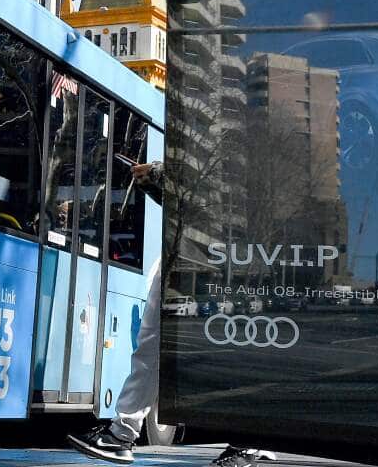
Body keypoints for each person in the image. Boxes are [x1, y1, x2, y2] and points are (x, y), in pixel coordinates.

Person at [66, 162, 275, 467]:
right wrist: (153, 181)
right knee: (154, 349)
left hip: (202, 261)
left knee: (175, 349)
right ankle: (121, 435)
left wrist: (157, 175)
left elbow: (199, 198)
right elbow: (189, 200)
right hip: (191, 258)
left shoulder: (236, 160)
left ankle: (249, 444)